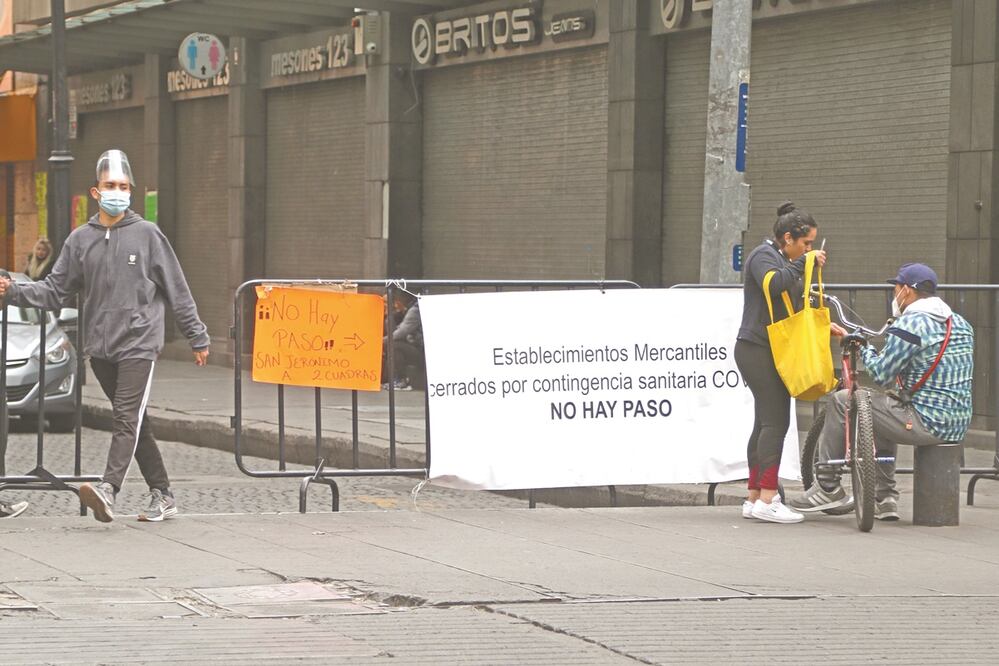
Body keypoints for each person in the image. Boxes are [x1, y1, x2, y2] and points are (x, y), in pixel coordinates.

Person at [0, 149, 210, 524]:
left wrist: (197, 335)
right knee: (134, 420)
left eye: (124, 186)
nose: (118, 192)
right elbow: (54, 290)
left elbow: (177, 288)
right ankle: (163, 494)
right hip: (99, 348)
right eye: (110, 186)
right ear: (95, 192)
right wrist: (12, 291)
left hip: (139, 343)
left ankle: (108, 488)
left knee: (125, 419)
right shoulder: (80, 240)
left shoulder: (148, 235)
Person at [788, 263, 974, 520]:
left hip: (926, 422)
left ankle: (828, 486)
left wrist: (862, 346)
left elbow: (881, 374)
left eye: (895, 287)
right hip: (958, 422)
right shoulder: (960, 323)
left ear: (906, 291)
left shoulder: (912, 323)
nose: (893, 293)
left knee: (843, 400)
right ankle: (885, 498)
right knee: (881, 407)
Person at [735, 201, 844, 524]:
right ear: (787, 238)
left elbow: (793, 304)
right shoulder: (763, 256)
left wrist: (826, 326)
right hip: (757, 348)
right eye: (806, 243)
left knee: (764, 422)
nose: (809, 249)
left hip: (764, 349)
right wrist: (804, 264)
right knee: (776, 422)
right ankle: (768, 498)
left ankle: (755, 496)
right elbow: (772, 284)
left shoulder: (782, 258)